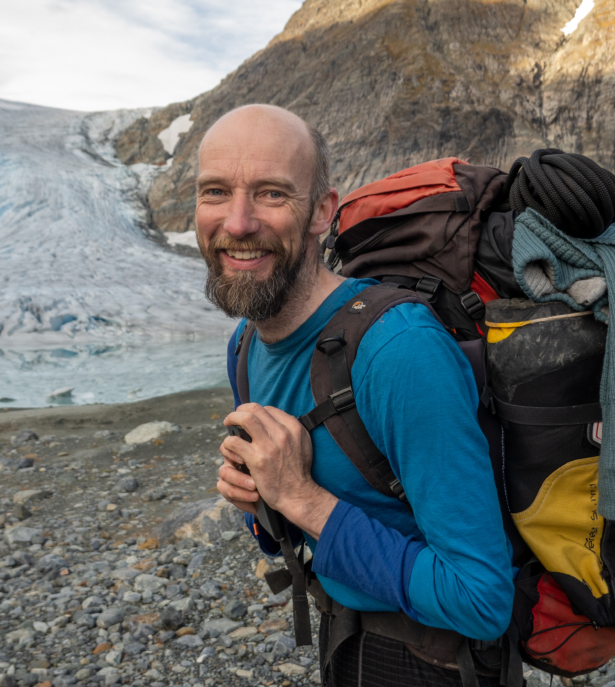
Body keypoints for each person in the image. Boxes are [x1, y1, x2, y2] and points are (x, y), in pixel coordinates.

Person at [196, 104, 513, 686]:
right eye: (215, 191)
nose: (237, 222)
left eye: (270, 194)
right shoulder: (245, 343)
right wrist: (262, 503)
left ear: (322, 212)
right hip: (343, 633)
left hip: (437, 662)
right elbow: (289, 536)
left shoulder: (399, 351)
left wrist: (300, 498)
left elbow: (483, 600)